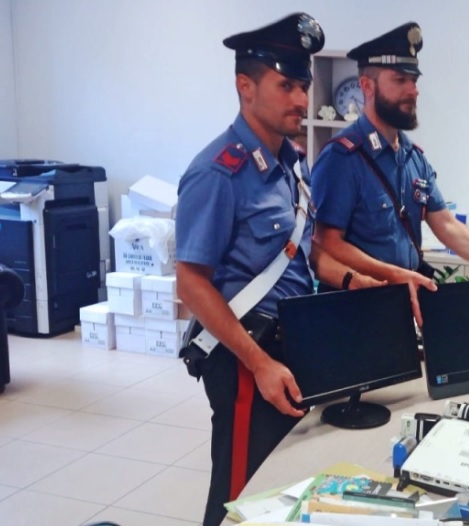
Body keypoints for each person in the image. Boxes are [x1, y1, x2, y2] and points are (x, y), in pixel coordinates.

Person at [175, 14, 382, 526]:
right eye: (285, 86)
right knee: (239, 494)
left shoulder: (294, 163)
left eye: (303, 86)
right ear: (245, 87)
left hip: (289, 348)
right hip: (246, 356)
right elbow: (191, 283)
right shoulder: (218, 172)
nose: (300, 99)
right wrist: (259, 363)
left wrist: (356, 281)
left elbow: (304, 252)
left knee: (280, 487)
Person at [310, 22, 469, 323]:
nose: (413, 91)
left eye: (414, 80)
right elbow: (325, 242)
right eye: (400, 80)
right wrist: (394, 274)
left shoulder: (412, 156)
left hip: (403, 304)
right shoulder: (342, 157)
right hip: (355, 312)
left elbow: (446, 224)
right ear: (367, 86)